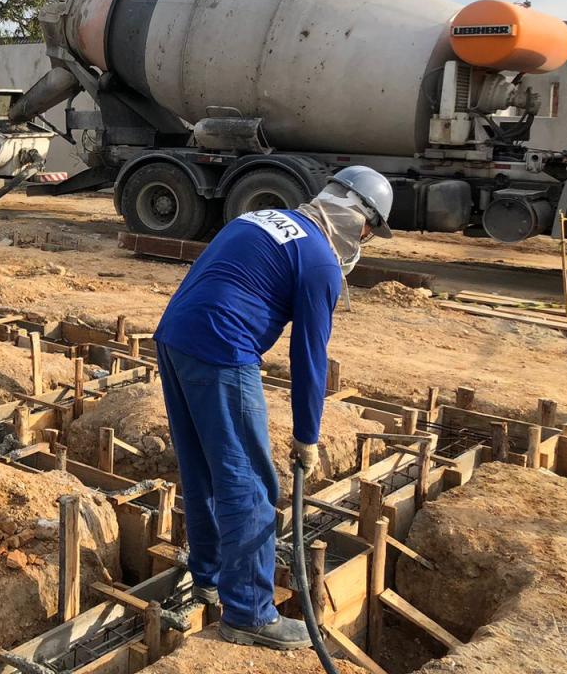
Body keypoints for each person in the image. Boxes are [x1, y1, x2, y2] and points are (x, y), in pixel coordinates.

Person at [153, 166, 394, 651]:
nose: (364, 241)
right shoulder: (321, 262)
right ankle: (249, 614)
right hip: (223, 349)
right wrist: (307, 437)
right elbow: (310, 358)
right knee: (251, 485)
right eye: (369, 231)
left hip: (175, 336)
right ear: (359, 219)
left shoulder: (265, 218)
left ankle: (209, 576)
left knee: (203, 469)